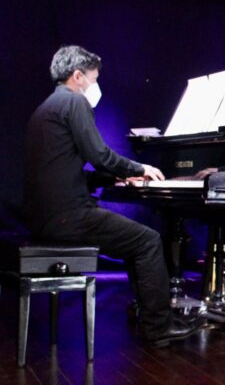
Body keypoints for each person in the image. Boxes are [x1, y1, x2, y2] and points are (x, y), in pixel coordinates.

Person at [23, 45, 200, 347]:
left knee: (135, 244)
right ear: (78, 76)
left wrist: (117, 176)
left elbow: (65, 173)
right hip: (68, 217)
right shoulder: (73, 102)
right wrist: (139, 168)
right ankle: (158, 327)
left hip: (46, 217)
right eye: (94, 78)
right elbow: (100, 155)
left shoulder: (46, 109)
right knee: (148, 241)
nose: (96, 85)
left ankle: (149, 315)